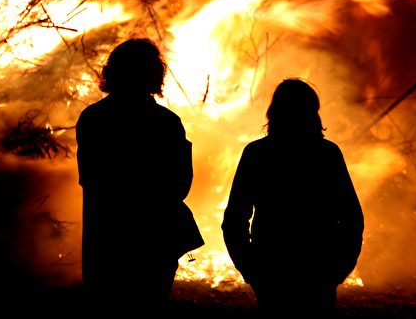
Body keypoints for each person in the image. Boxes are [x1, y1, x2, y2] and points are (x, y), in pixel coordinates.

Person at [76, 38, 203, 305]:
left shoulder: (92, 118)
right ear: (154, 74)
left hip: (105, 244)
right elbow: (180, 184)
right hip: (154, 246)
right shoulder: (167, 123)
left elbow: (89, 178)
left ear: (113, 72)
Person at [222, 79, 364, 315]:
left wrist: (249, 267)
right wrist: (339, 268)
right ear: (313, 113)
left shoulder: (258, 154)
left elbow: (235, 220)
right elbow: (352, 218)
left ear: (274, 112)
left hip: (273, 265)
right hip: (316, 266)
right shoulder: (327, 154)